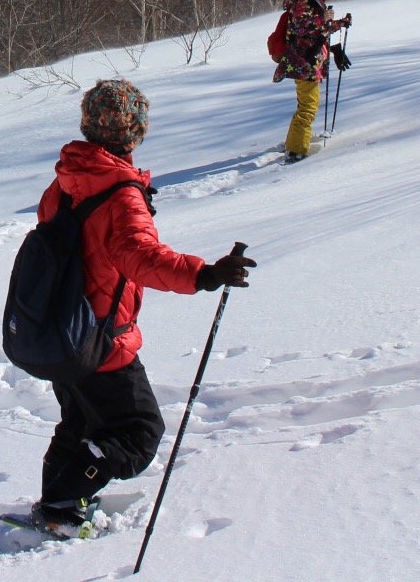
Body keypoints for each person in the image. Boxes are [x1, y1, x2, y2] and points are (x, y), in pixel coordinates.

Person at [25, 79, 255, 538]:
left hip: (61, 331)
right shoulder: (119, 191)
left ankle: (58, 500)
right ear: (135, 132)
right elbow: (140, 257)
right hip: (101, 339)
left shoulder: (68, 178)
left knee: (81, 419)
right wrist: (204, 274)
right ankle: (66, 502)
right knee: (139, 431)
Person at [274, 0, 351, 163]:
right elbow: (301, 28)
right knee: (308, 106)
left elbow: (316, 33)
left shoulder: (313, 2)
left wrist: (338, 25)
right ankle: (296, 150)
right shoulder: (305, 1)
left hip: (307, 61)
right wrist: (324, 18)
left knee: (307, 104)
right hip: (303, 62)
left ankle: (296, 141)